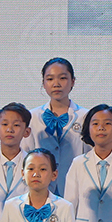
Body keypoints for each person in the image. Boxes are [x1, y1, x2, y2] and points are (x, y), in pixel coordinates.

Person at [25, 59, 87, 196]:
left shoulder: (85, 117)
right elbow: (26, 154)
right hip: (40, 189)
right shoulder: (32, 117)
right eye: (50, 79)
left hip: (76, 187)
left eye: (63, 78)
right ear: (43, 83)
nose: (56, 84)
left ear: (73, 81)